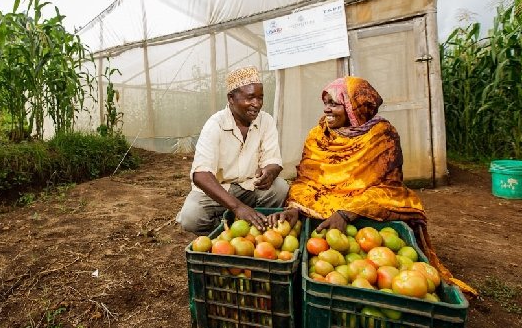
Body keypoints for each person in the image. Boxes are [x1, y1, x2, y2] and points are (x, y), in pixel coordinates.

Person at [268, 75, 476, 295]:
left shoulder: (382, 135)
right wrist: (295, 207)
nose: (327, 110)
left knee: (394, 204)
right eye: (325, 103)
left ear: (356, 108)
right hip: (324, 206)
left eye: (335, 104)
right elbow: (306, 179)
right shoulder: (318, 135)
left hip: (360, 204)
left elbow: (388, 185)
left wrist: (347, 212)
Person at [176, 66, 289, 235]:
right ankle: (227, 231)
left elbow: (273, 161)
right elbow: (201, 175)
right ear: (231, 98)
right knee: (190, 217)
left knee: (280, 188)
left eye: (260, 98)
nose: (256, 104)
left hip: (250, 186)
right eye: (250, 98)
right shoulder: (215, 125)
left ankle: (256, 227)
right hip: (219, 189)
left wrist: (270, 172)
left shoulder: (266, 121)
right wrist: (238, 208)